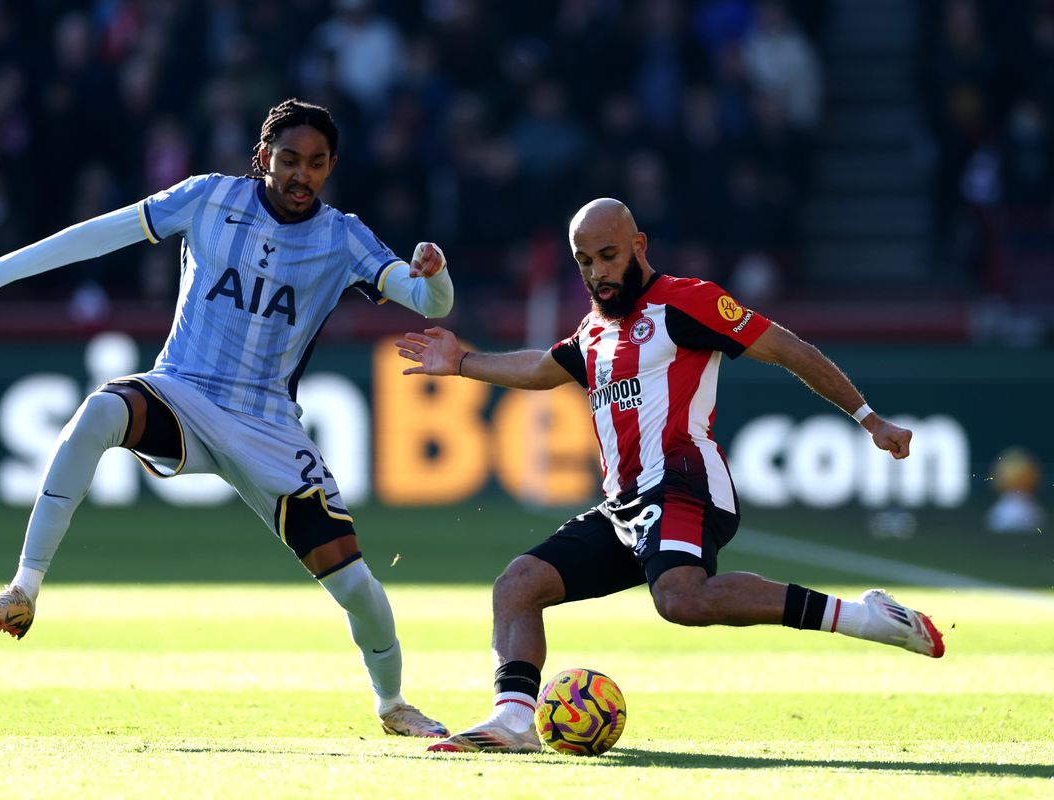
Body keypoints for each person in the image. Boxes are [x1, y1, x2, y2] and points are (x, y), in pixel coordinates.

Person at [0, 98, 452, 739]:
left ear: (331, 167)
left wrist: (436, 276)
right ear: (263, 157)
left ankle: (393, 704)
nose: (302, 175)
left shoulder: (342, 236)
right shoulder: (208, 199)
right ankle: (22, 590)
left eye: (316, 164)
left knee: (353, 582)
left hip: (269, 424)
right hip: (182, 391)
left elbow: (426, 298)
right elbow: (100, 233)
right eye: (289, 160)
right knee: (102, 409)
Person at [395, 198, 944, 753]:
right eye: (584, 262)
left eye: (608, 256)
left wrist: (867, 418)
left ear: (639, 246)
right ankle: (514, 722)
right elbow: (541, 368)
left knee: (680, 599)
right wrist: (462, 362)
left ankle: (865, 618)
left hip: (685, 482)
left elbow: (788, 349)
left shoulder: (687, 302)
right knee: (518, 585)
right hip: (623, 505)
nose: (597, 273)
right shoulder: (593, 331)